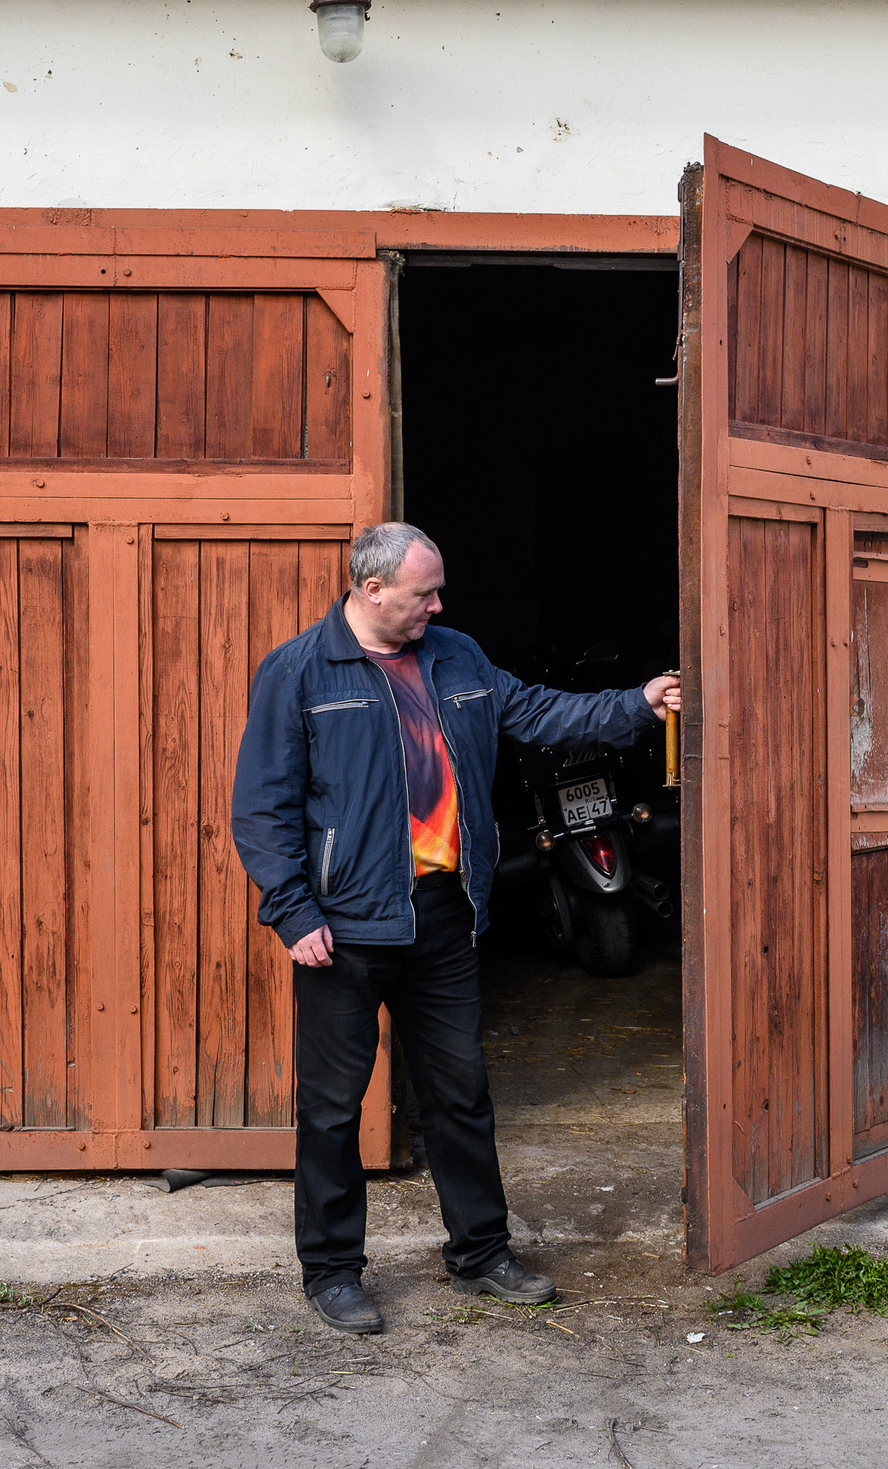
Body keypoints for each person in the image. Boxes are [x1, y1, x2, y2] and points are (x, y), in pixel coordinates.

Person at [232, 521, 684, 1335]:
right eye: (423, 593)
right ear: (371, 590)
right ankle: (332, 1271)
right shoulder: (300, 672)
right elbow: (262, 808)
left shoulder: (457, 656)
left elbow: (536, 712)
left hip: (443, 915)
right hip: (343, 925)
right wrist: (293, 912)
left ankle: (481, 1252)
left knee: (461, 1096)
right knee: (333, 1110)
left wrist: (635, 705)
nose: (437, 605)